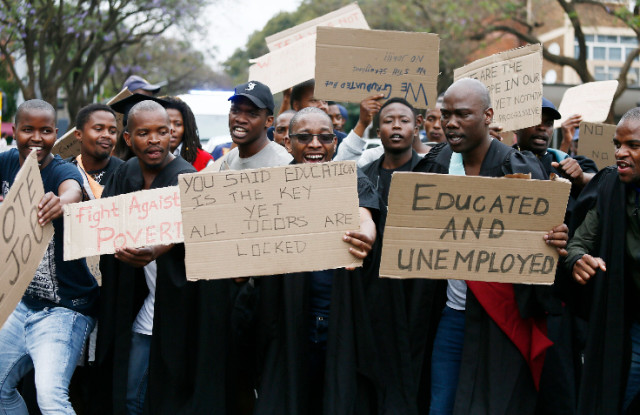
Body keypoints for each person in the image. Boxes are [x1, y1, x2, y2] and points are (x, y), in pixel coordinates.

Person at [413, 78, 568, 415]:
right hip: (452, 315)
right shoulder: (436, 168)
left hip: (502, 316)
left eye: (463, 115)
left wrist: (556, 237)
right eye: (446, 115)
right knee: (441, 404)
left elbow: (544, 241)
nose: (451, 123)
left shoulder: (519, 170)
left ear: (488, 116)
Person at [95, 99, 222, 415]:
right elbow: (105, 225)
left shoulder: (186, 177)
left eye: (162, 132)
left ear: (172, 135)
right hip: (136, 295)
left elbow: (193, 228)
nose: (154, 140)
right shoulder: (124, 173)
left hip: (173, 303)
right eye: (144, 133)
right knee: (129, 388)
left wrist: (158, 248)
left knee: (142, 394)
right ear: (128, 138)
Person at [251, 107, 379, 415]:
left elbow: (365, 217)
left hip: (336, 320)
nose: (315, 145)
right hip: (286, 320)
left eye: (325, 137)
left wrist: (366, 235)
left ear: (336, 142)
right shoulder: (268, 188)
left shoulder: (351, 180)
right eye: (304, 137)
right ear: (287, 142)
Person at [0, 99, 98, 414]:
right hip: (22, 303)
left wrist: (61, 201)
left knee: (50, 397)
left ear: (56, 134)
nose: (36, 138)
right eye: (28, 129)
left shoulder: (62, 169)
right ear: (15, 131)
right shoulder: (5, 163)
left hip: (65, 310)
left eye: (45, 131)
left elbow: (73, 190)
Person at [560, 106, 640, 414]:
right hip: (631, 327)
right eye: (618, 145)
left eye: (633, 145)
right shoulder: (609, 187)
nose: (621, 153)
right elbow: (579, 243)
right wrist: (578, 259)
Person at [515, 97, 597, 222]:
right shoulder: (500, 159)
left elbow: (600, 183)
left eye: (548, 123)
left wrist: (581, 177)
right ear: (516, 126)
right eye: (534, 121)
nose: (542, 128)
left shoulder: (565, 163)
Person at [212, 81, 292, 170]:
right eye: (235, 111)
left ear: (268, 121)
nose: (240, 119)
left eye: (252, 113)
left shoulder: (283, 164)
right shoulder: (230, 159)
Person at [66, 103, 124, 199]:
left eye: (112, 131)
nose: (107, 135)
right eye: (98, 129)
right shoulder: (64, 170)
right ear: (79, 135)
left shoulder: (124, 172)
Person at [162, 96, 213, 171]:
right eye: (166, 123)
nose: (172, 129)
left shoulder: (204, 159)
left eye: (178, 124)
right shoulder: (145, 157)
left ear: (186, 127)